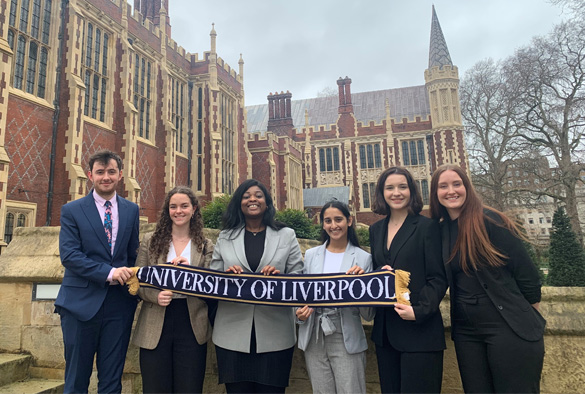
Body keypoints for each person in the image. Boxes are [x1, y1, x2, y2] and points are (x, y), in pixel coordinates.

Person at [430, 164, 545, 393]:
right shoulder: (439, 231)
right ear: (435, 193)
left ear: (467, 187)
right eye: (443, 186)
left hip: (507, 325)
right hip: (466, 331)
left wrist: (530, 319)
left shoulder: (490, 221)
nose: (451, 191)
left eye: (457, 184)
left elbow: (527, 274)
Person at [55, 150, 140, 393]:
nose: (106, 177)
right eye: (100, 172)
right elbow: (70, 255)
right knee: (76, 380)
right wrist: (109, 273)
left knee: (112, 381)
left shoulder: (131, 210)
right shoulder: (72, 210)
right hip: (80, 305)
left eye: (111, 172)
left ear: (120, 175)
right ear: (90, 175)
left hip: (118, 306)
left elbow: (132, 254)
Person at [210, 179, 304, 393]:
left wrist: (280, 279)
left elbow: (299, 278)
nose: (253, 199)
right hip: (231, 336)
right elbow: (212, 280)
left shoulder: (286, 235)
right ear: (239, 203)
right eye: (246, 196)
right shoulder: (225, 237)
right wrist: (226, 277)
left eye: (258, 195)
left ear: (267, 202)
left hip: (276, 335)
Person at [369, 166, 447, 394]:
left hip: (420, 332)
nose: (396, 193)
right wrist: (377, 275)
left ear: (412, 191)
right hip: (385, 333)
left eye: (402, 187)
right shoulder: (376, 230)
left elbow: (438, 278)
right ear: (382, 193)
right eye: (390, 188)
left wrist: (419, 311)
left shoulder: (428, 227)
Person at [132, 186, 214, 393]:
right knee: (155, 388)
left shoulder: (205, 245)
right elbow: (137, 281)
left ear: (194, 209)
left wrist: (192, 273)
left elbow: (213, 286)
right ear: (168, 210)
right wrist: (155, 295)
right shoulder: (150, 242)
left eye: (184, 206)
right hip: (156, 322)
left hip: (191, 323)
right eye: (173, 206)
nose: (179, 211)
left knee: (189, 387)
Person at [296, 200, 374, 394]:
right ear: (322, 224)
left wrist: (362, 286)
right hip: (314, 333)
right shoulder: (312, 255)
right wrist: (299, 314)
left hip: (345, 332)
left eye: (338, 219)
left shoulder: (364, 258)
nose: (333, 225)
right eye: (328, 220)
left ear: (349, 221)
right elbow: (300, 294)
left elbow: (369, 313)